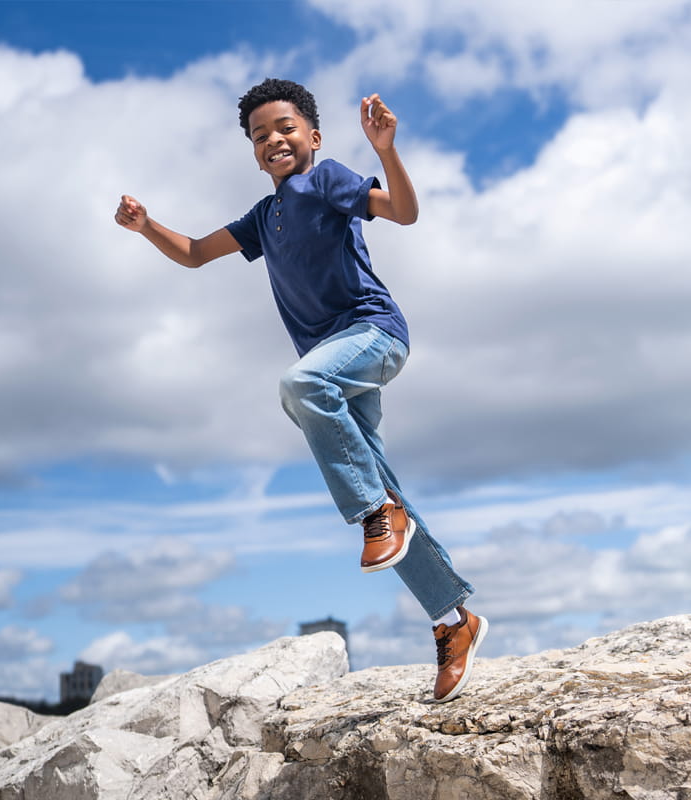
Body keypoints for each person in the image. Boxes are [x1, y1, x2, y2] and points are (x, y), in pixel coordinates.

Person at [115, 78, 487, 702]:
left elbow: (404, 212)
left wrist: (387, 151)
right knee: (381, 487)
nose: (273, 140)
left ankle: (376, 513)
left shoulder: (329, 178)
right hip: (332, 370)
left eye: (285, 128)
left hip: (372, 334)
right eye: (259, 135)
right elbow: (197, 252)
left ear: (313, 135)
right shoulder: (264, 219)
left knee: (301, 386)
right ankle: (453, 619)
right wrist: (147, 224)